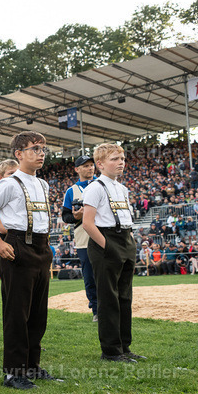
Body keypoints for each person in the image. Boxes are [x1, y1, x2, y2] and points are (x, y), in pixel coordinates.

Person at [0, 132, 58, 390]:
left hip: (41, 246)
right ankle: (13, 373)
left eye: (43, 149)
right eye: (35, 149)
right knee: (17, 312)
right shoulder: (9, 184)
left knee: (38, 312)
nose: (41, 154)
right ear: (19, 154)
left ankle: (32, 365)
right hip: (18, 245)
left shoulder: (43, 184)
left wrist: (47, 246)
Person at [82, 144, 142, 362]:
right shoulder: (95, 188)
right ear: (100, 164)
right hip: (105, 240)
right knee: (108, 298)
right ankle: (110, 350)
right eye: (114, 159)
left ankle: (124, 346)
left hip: (125, 238)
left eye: (122, 159)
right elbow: (88, 223)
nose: (121, 163)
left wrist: (130, 242)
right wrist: (107, 247)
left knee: (125, 296)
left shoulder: (122, 188)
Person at [61, 155, 98, 321]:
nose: (90, 168)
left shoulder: (102, 184)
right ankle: (96, 309)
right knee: (89, 276)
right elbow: (65, 216)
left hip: (105, 234)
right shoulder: (71, 191)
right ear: (77, 169)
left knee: (108, 273)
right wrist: (76, 216)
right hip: (84, 238)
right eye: (86, 166)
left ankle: (111, 306)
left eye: (91, 165)